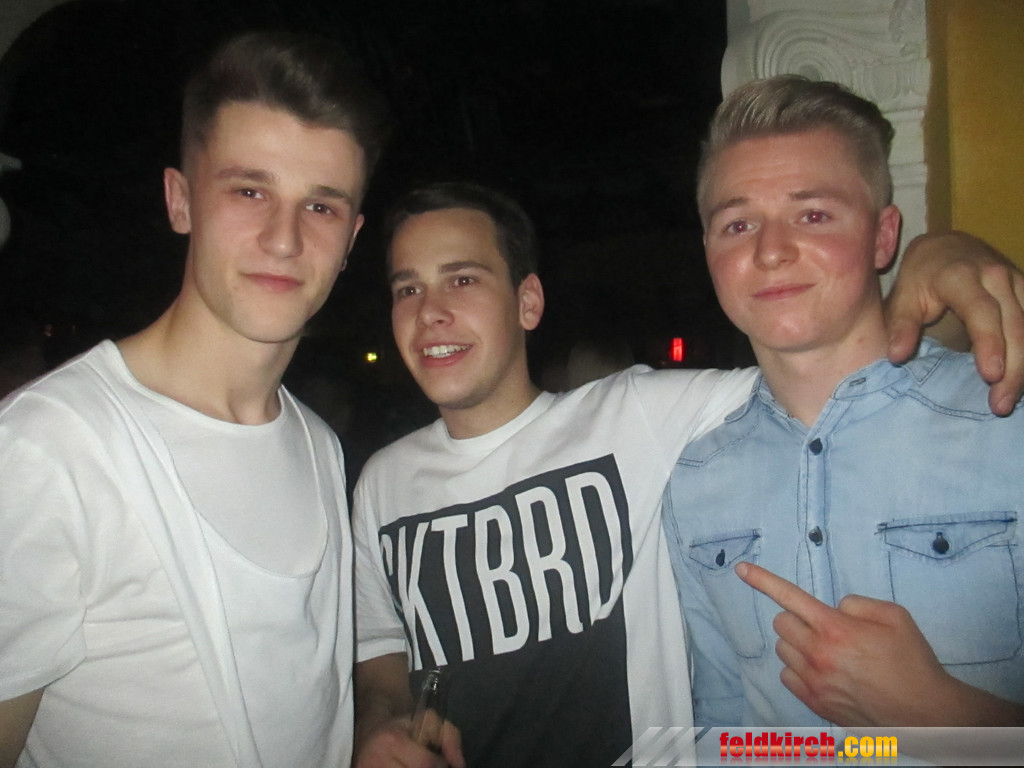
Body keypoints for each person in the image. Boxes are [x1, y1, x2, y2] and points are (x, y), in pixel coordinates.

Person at [352, 181, 1024, 768]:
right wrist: (380, 724)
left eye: (462, 279)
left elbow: (832, 367)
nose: (429, 311)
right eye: (407, 288)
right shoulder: (382, 483)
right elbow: (382, 654)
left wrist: (940, 260)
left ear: (528, 302)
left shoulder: (636, 414)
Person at [0, 29, 389, 768]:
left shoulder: (320, 447)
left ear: (351, 239)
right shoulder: (50, 451)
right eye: (250, 191)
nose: (284, 239)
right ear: (180, 200)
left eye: (321, 207)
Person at [663, 75, 1024, 730]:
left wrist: (941, 717)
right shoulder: (693, 483)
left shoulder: (1008, 422)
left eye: (813, 215)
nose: (770, 252)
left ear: (884, 238)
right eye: (737, 224)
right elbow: (725, 728)